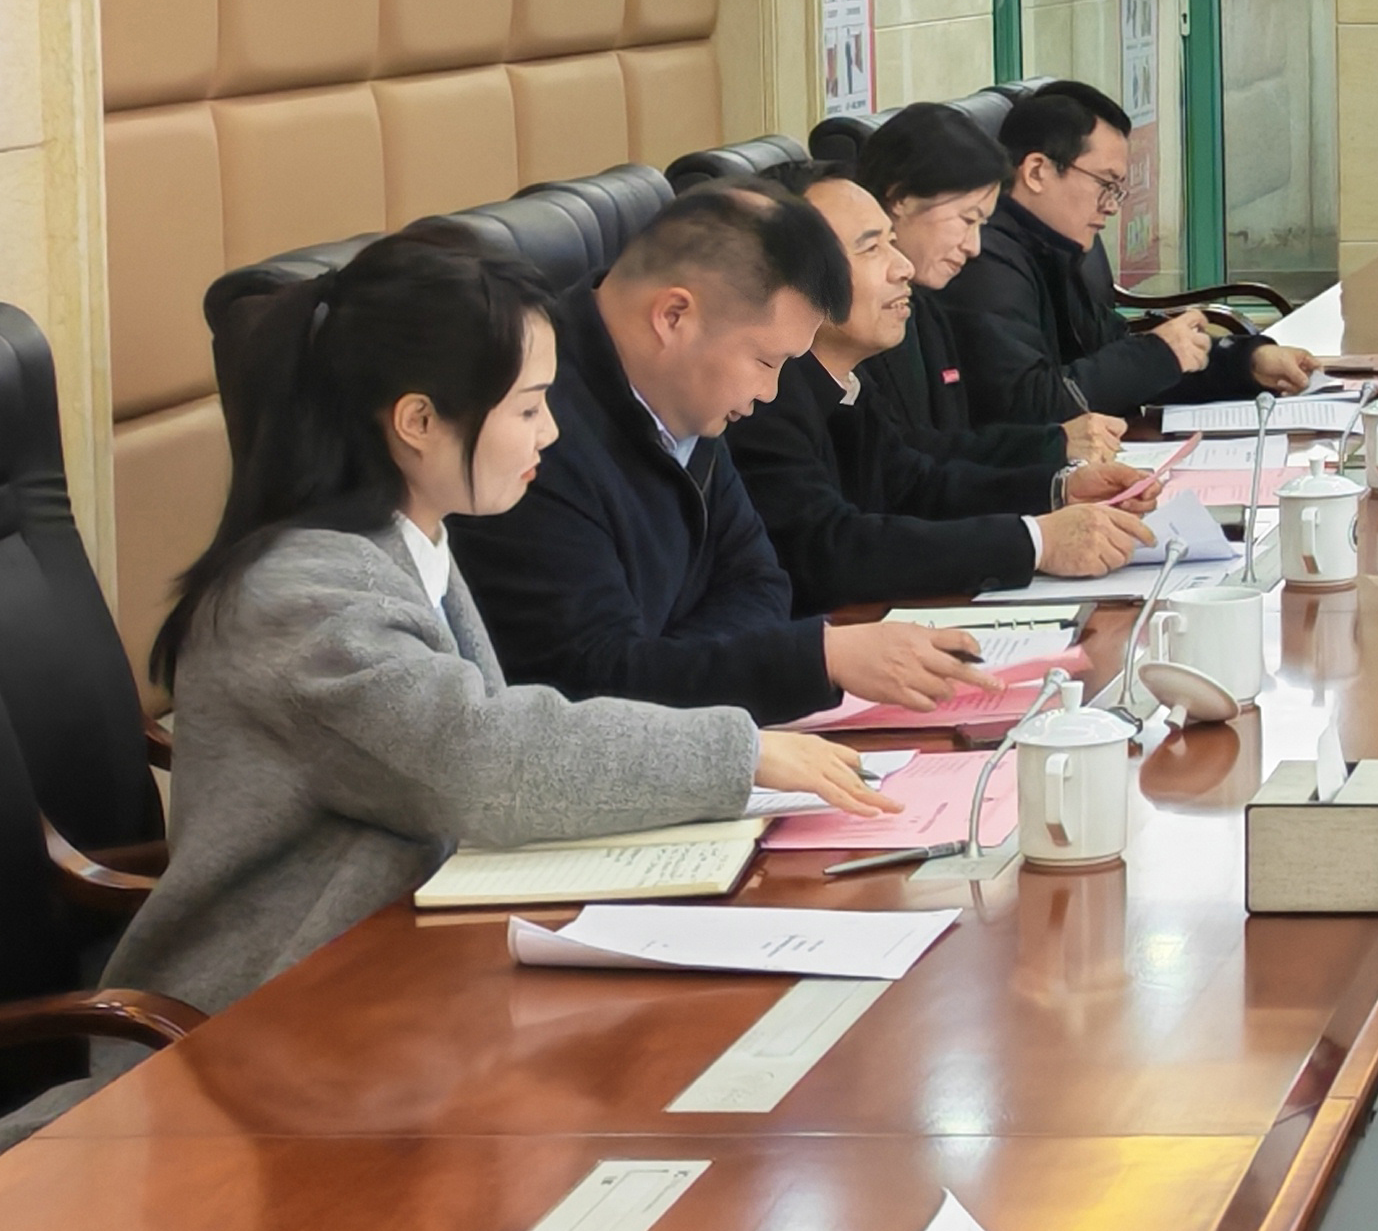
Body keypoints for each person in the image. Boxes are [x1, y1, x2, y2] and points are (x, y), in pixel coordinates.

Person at [101, 233, 887, 1027]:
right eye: (528, 407)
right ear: (418, 420)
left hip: (391, 979)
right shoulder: (302, 594)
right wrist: (741, 752)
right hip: (255, 1016)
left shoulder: (409, 543)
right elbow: (477, 757)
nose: (551, 433)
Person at [454, 185, 990, 721]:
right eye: (765, 362)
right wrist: (817, 658)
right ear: (673, 317)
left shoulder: (685, 394)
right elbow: (593, 687)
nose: (770, 393)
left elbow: (759, 581)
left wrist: (675, 662)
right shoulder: (531, 432)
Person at [729, 175, 1156, 612]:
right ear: (796, 279)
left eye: (892, 243)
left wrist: (1058, 489)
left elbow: (916, 485)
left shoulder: (846, 380)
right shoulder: (760, 400)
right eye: (872, 249)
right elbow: (830, 550)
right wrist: (1037, 542)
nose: (903, 267)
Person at [952, 81, 1325, 428]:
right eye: (1105, 183)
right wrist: (1158, 355)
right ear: (1037, 172)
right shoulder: (983, 260)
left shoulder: (1054, 245)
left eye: (1117, 189)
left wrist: (1246, 363)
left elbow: (1109, 353)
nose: (1112, 206)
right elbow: (1027, 407)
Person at [852, 101, 1125, 480]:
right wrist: (1051, 448)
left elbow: (949, 443)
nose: (974, 247)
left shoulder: (924, 305)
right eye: (966, 220)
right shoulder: (849, 319)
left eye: (981, 225)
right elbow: (899, 463)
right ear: (901, 199)